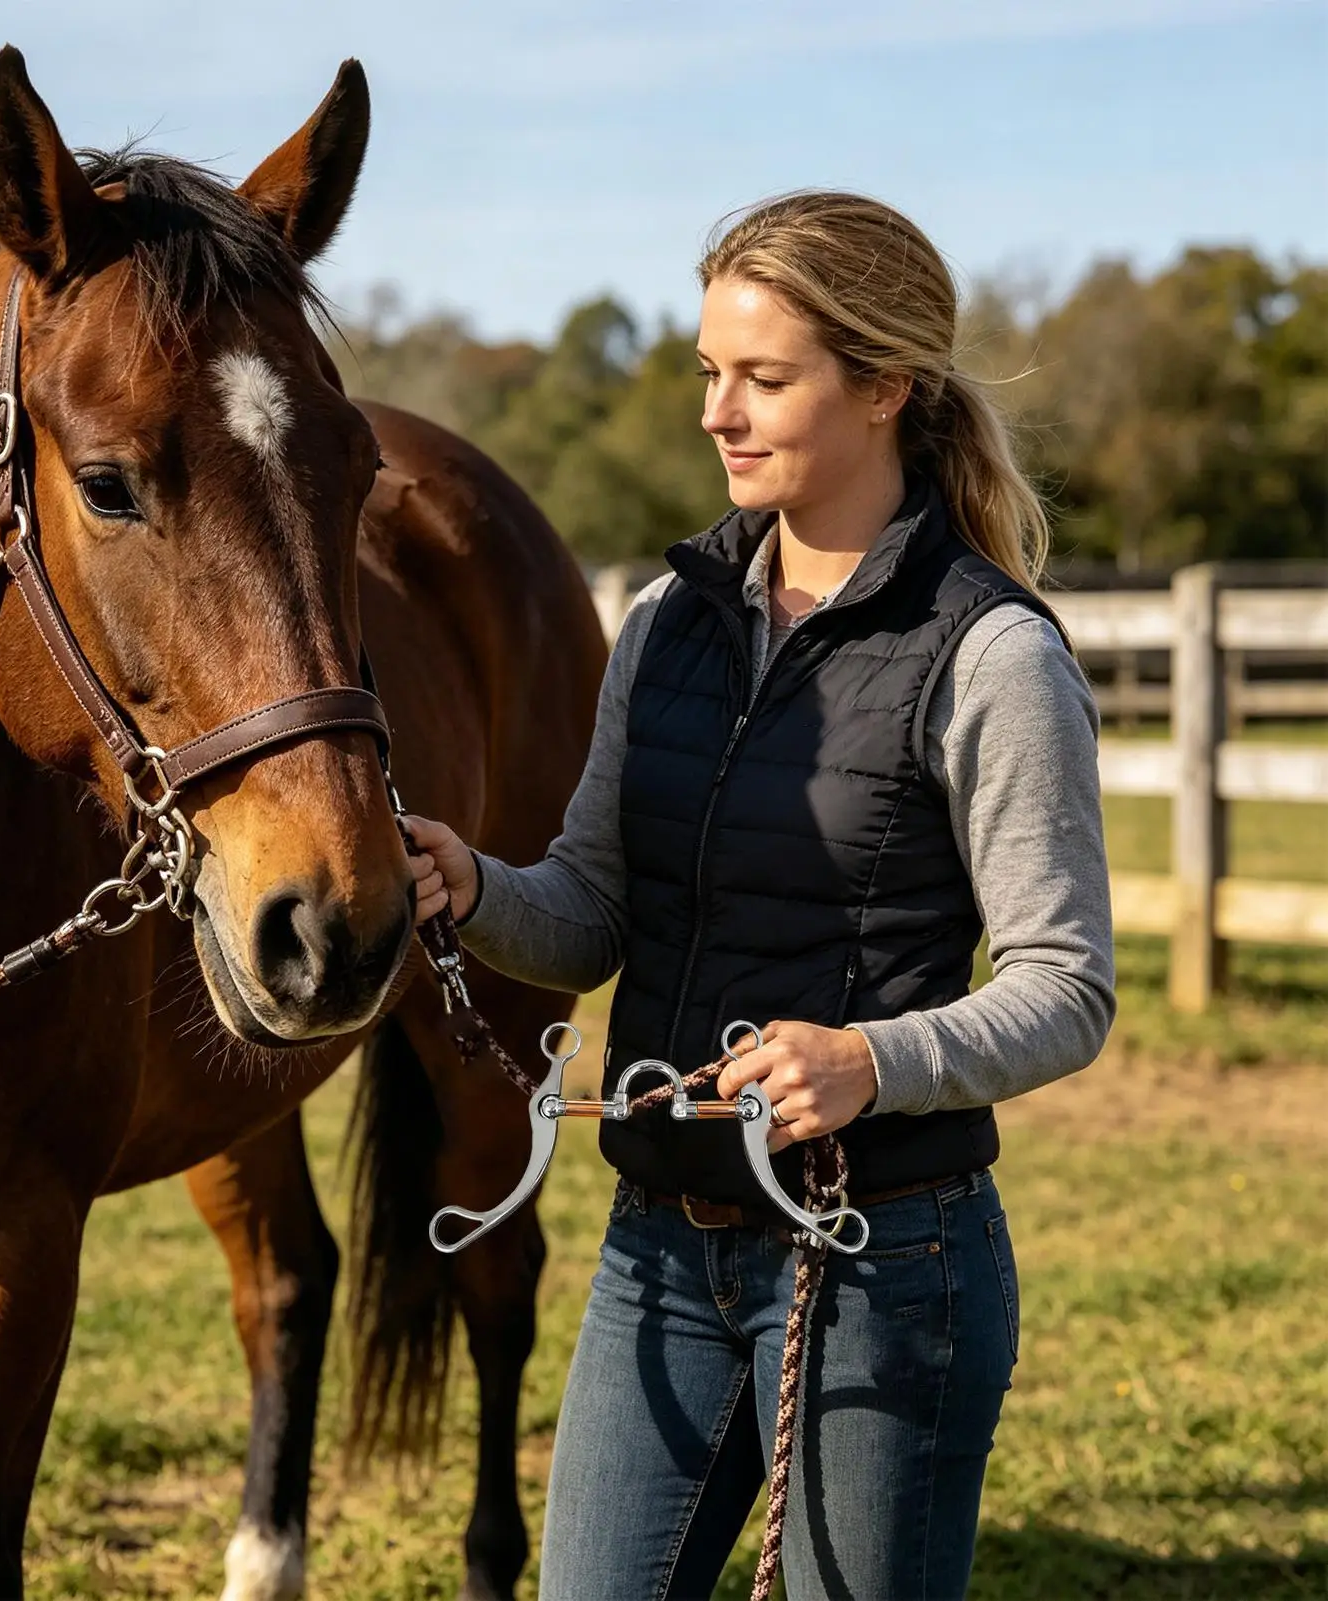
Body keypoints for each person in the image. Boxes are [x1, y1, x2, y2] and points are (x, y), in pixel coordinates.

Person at [403, 190, 1114, 1601]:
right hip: (658, 1254)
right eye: (709, 372)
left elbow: (1067, 986)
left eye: (765, 380)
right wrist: (471, 884)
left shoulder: (991, 656)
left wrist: (871, 1061)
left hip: (884, 1266)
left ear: (885, 386)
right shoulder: (665, 623)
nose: (717, 414)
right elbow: (591, 914)